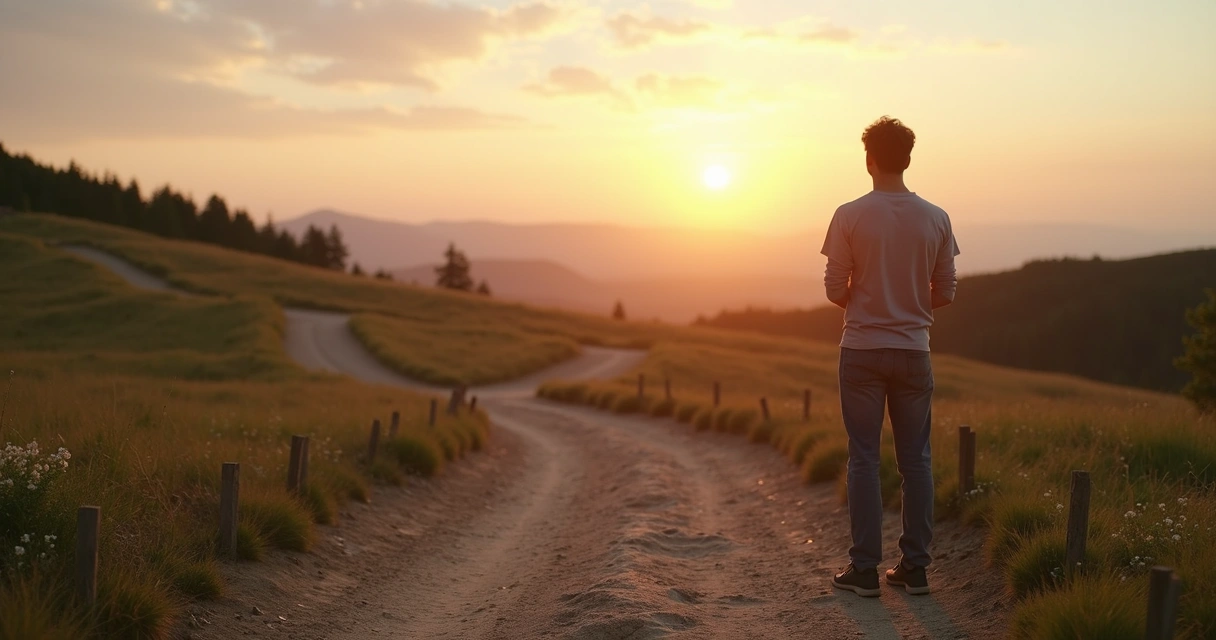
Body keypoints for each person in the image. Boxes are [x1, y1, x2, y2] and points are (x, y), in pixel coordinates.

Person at [822, 116, 959, 597]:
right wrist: (911, 303)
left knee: (863, 459)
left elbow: (833, 287)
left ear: (869, 159)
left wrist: (867, 303)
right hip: (914, 351)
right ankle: (915, 568)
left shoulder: (849, 214)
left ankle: (864, 571)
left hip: (860, 349)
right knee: (916, 461)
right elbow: (946, 289)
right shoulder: (936, 217)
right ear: (908, 158)